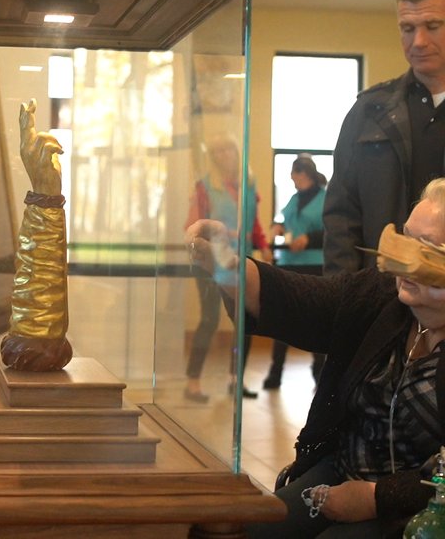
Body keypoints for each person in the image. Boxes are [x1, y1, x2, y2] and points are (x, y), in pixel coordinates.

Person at [186, 176, 445, 538]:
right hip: (341, 472)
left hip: (420, 506)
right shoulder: (379, 296)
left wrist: (376, 498)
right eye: (405, 238)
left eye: (426, 248)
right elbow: (306, 301)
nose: (403, 259)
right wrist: (228, 265)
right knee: (246, 531)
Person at [324, 0, 445, 275]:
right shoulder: (368, 112)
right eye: (407, 28)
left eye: (432, 26)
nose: (418, 41)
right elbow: (341, 218)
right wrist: (345, 300)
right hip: (380, 293)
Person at [183, 133, 272, 403]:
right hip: (210, 262)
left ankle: (236, 379)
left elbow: (253, 224)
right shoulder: (205, 186)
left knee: (243, 320)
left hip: (238, 260)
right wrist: (221, 234)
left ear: (236, 152)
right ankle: (193, 382)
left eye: (227, 150)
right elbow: (192, 226)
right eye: (217, 152)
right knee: (209, 320)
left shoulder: (248, 183)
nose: (223, 156)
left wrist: (263, 244)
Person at [264, 155, 327, 390]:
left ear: (305, 174)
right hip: (289, 262)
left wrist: (309, 238)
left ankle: (319, 370)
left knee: (315, 317)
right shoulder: (293, 199)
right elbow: (283, 219)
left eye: (295, 176)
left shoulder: (325, 198)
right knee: (283, 317)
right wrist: (277, 226)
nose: (292, 180)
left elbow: (331, 230)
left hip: (313, 263)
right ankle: (275, 372)